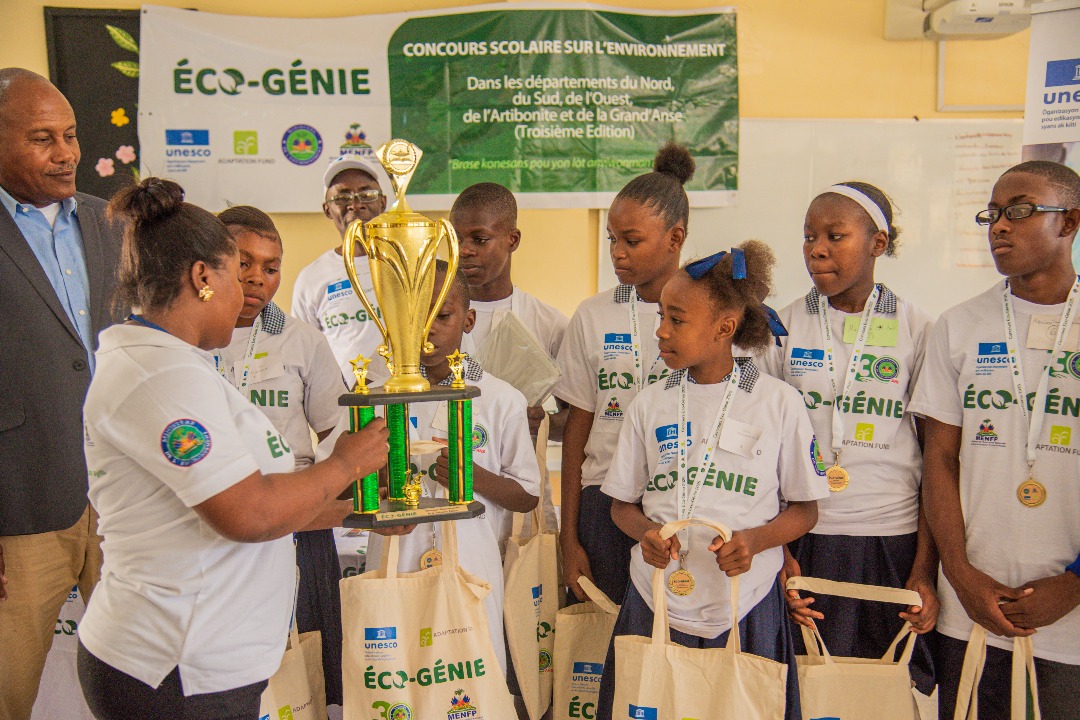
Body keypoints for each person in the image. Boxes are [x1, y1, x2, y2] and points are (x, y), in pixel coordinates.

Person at [77, 177, 398, 720]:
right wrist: (346, 462)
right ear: (203, 277)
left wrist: (362, 515)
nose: (251, 289)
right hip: (176, 669)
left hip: (204, 661)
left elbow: (236, 506)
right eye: (236, 271)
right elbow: (249, 512)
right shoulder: (158, 377)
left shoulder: (175, 364)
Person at [597, 241, 828, 720]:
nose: (661, 330)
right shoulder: (650, 401)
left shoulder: (778, 403)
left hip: (744, 604)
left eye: (676, 319)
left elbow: (806, 509)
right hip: (656, 599)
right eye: (661, 315)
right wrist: (647, 534)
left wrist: (756, 541)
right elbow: (622, 505)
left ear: (725, 327)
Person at [910, 160, 1080, 719]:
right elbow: (939, 458)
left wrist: (1076, 585)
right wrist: (959, 573)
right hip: (972, 608)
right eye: (994, 214)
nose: (1000, 226)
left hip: (1071, 619)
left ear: (1071, 221)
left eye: (1021, 211)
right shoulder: (960, 326)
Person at [761, 182, 938, 693]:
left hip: (891, 537)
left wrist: (925, 569)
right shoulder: (781, 327)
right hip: (807, 536)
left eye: (835, 236)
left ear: (877, 244)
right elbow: (765, 452)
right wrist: (779, 549)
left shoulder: (919, 329)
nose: (816, 248)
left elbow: (936, 457)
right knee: (812, 688)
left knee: (889, 688)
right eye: (809, 236)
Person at [0, 67, 123, 720]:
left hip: (120, 502)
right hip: (18, 511)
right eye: (43, 138)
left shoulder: (107, 222)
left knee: (140, 683)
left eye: (71, 135)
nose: (66, 153)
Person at [366, 260, 540, 675]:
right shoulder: (375, 396)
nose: (426, 330)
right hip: (396, 556)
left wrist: (475, 478)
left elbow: (528, 493)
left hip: (471, 564)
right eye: (411, 318)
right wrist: (376, 479)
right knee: (400, 677)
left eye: (442, 316)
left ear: (468, 319)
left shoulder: (499, 398)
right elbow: (337, 480)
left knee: (473, 674)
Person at [214, 205, 349, 709]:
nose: (257, 278)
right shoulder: (190, 336)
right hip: (221, 519)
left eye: (271, 268)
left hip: (297, 518)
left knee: (305, 659)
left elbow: (337, 426)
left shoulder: (302, 340)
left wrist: (317, 492)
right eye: (243, 262)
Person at [556, 142, 692, 604]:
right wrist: (568, 536)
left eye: (631, 241)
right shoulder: (593, 315)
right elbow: (578, 429)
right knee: (608, 649)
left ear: (675, 239)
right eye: (612, 239)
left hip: (684, 503)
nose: (617, 253)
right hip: (603, 503)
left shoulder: (711, 316)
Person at [450, 181, 569, 533]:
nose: (465, 250)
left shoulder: (548, 323)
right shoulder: (432, 319)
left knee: (524, 583)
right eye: (456, 239)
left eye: (479, 239)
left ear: (512, 240)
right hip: (451, 487)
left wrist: (538, 420)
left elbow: (573, 422)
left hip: (521, 500)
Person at [291, 154, 389, 386]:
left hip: (409, 400)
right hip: (343, 408)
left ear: (382, 203)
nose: (356, 204)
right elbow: (304, 355)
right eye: (342, 197)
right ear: (327, 210)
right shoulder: (311, 278)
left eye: (367, 194)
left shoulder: (411, 261)